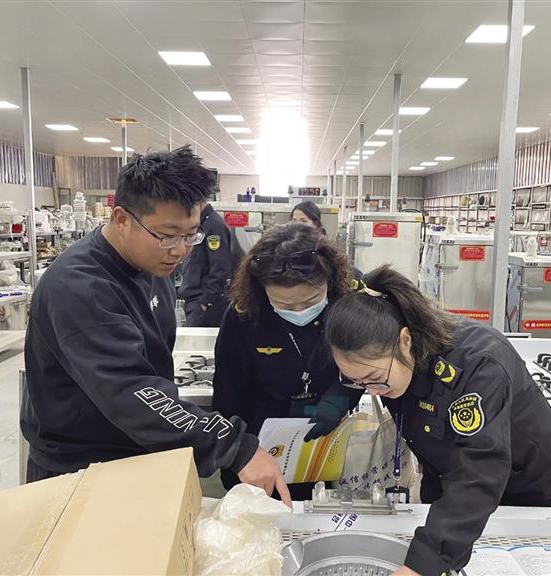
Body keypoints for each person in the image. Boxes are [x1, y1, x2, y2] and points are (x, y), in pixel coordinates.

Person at [21, 147, 290, 506]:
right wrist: (234, 445)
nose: (180, 250)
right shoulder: (80, 287)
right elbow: (130, 391)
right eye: (168, 234)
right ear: (121, 218)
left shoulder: (152, 265)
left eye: (191, 234)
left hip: (136, 452)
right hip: (79, 470)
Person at [317, 265, 551, 576]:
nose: (371, 390)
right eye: (357, 382)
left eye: (374, 379)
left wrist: (420, 566)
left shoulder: (478, 364)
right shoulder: (393, 358)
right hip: (449, 476)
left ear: (405, 341)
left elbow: (479, 470)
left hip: (524, 484)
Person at [212, 222, 361, 499]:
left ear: (329, 280)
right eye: (285, 305)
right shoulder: (244, 316)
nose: (299, 311)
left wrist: (341, 396)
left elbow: (366, 358)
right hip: (260, 440)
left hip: (325, 432)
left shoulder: (348, 299)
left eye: (311, 300)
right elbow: (228, 394)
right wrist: (238, 453)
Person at [178, 201, 232, 327]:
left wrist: (206, 302)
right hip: (193, 300)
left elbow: (221, 269)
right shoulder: (199, 224)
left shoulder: (214, 226)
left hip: (202, 302)